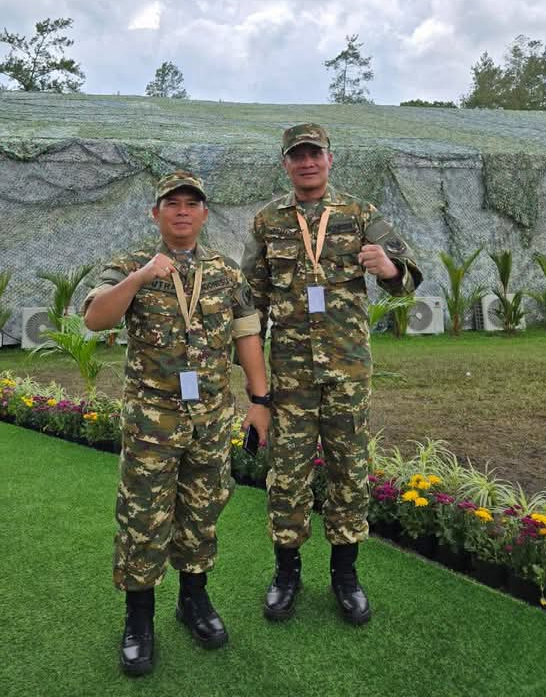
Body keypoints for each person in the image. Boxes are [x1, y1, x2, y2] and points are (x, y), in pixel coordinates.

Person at [83, 171, 270, 677]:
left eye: (192, 204)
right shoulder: (128, 265)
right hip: (152, 423)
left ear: (205, 214)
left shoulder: (227, 274)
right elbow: (95, 318)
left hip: (210, 418)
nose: (183, 211)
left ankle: (194, 601)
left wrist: (260, 399)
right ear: (156, 213)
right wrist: (142, 277)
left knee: (202, 509)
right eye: (173, 203)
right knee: (143, 517)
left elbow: (248, 336)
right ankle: (138, 620)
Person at [241, 124, 422, 625]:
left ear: (330, 158)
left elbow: (408, 280)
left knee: (349, 474)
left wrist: (387, 268)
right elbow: (248, 307)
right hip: (291, 379)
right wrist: (256, 390)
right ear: (285, 164)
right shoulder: (266, 222)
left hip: (347, 374)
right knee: (287, 476)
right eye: (297, 155)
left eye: (314, 154)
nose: (307, 163)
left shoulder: (361, 215)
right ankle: (287, 574)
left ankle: (346, 576)